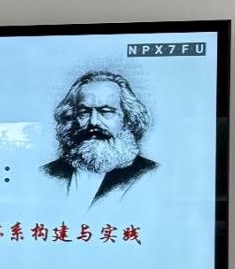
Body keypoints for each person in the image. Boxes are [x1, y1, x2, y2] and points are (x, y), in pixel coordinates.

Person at [41, 70, 158, 207]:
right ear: (71, 118)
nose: (93, 122)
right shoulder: (48, 174)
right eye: (84, 113)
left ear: (128, 119)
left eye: (105, 112)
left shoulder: (149, 175)